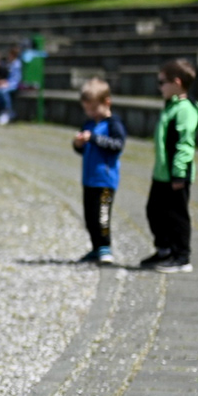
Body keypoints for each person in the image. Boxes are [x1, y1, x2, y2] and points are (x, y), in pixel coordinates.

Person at [142, 59, 198, 273]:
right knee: (154, 211)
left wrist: (179, 174)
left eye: (162, 82)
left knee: (176, 215)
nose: (159, 87)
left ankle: (181, 256)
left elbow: (184, 144)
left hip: (176, 173)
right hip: (162, 173)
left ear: (176, 82)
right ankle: (164, 249)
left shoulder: (185, 110)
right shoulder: (172, 106)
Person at [73, 78, 125, 266]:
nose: (91, 113)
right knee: (89, 217)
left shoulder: (113, 124)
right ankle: (96, 247)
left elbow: (117, 145)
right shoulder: (89, 123)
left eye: (94, 109)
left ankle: (105, 247)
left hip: (106, 179)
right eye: (87, 109)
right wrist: (78, 144)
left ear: (107, 102)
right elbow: (83, 150)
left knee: (102, 215)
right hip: (89, 179)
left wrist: (94, 138)